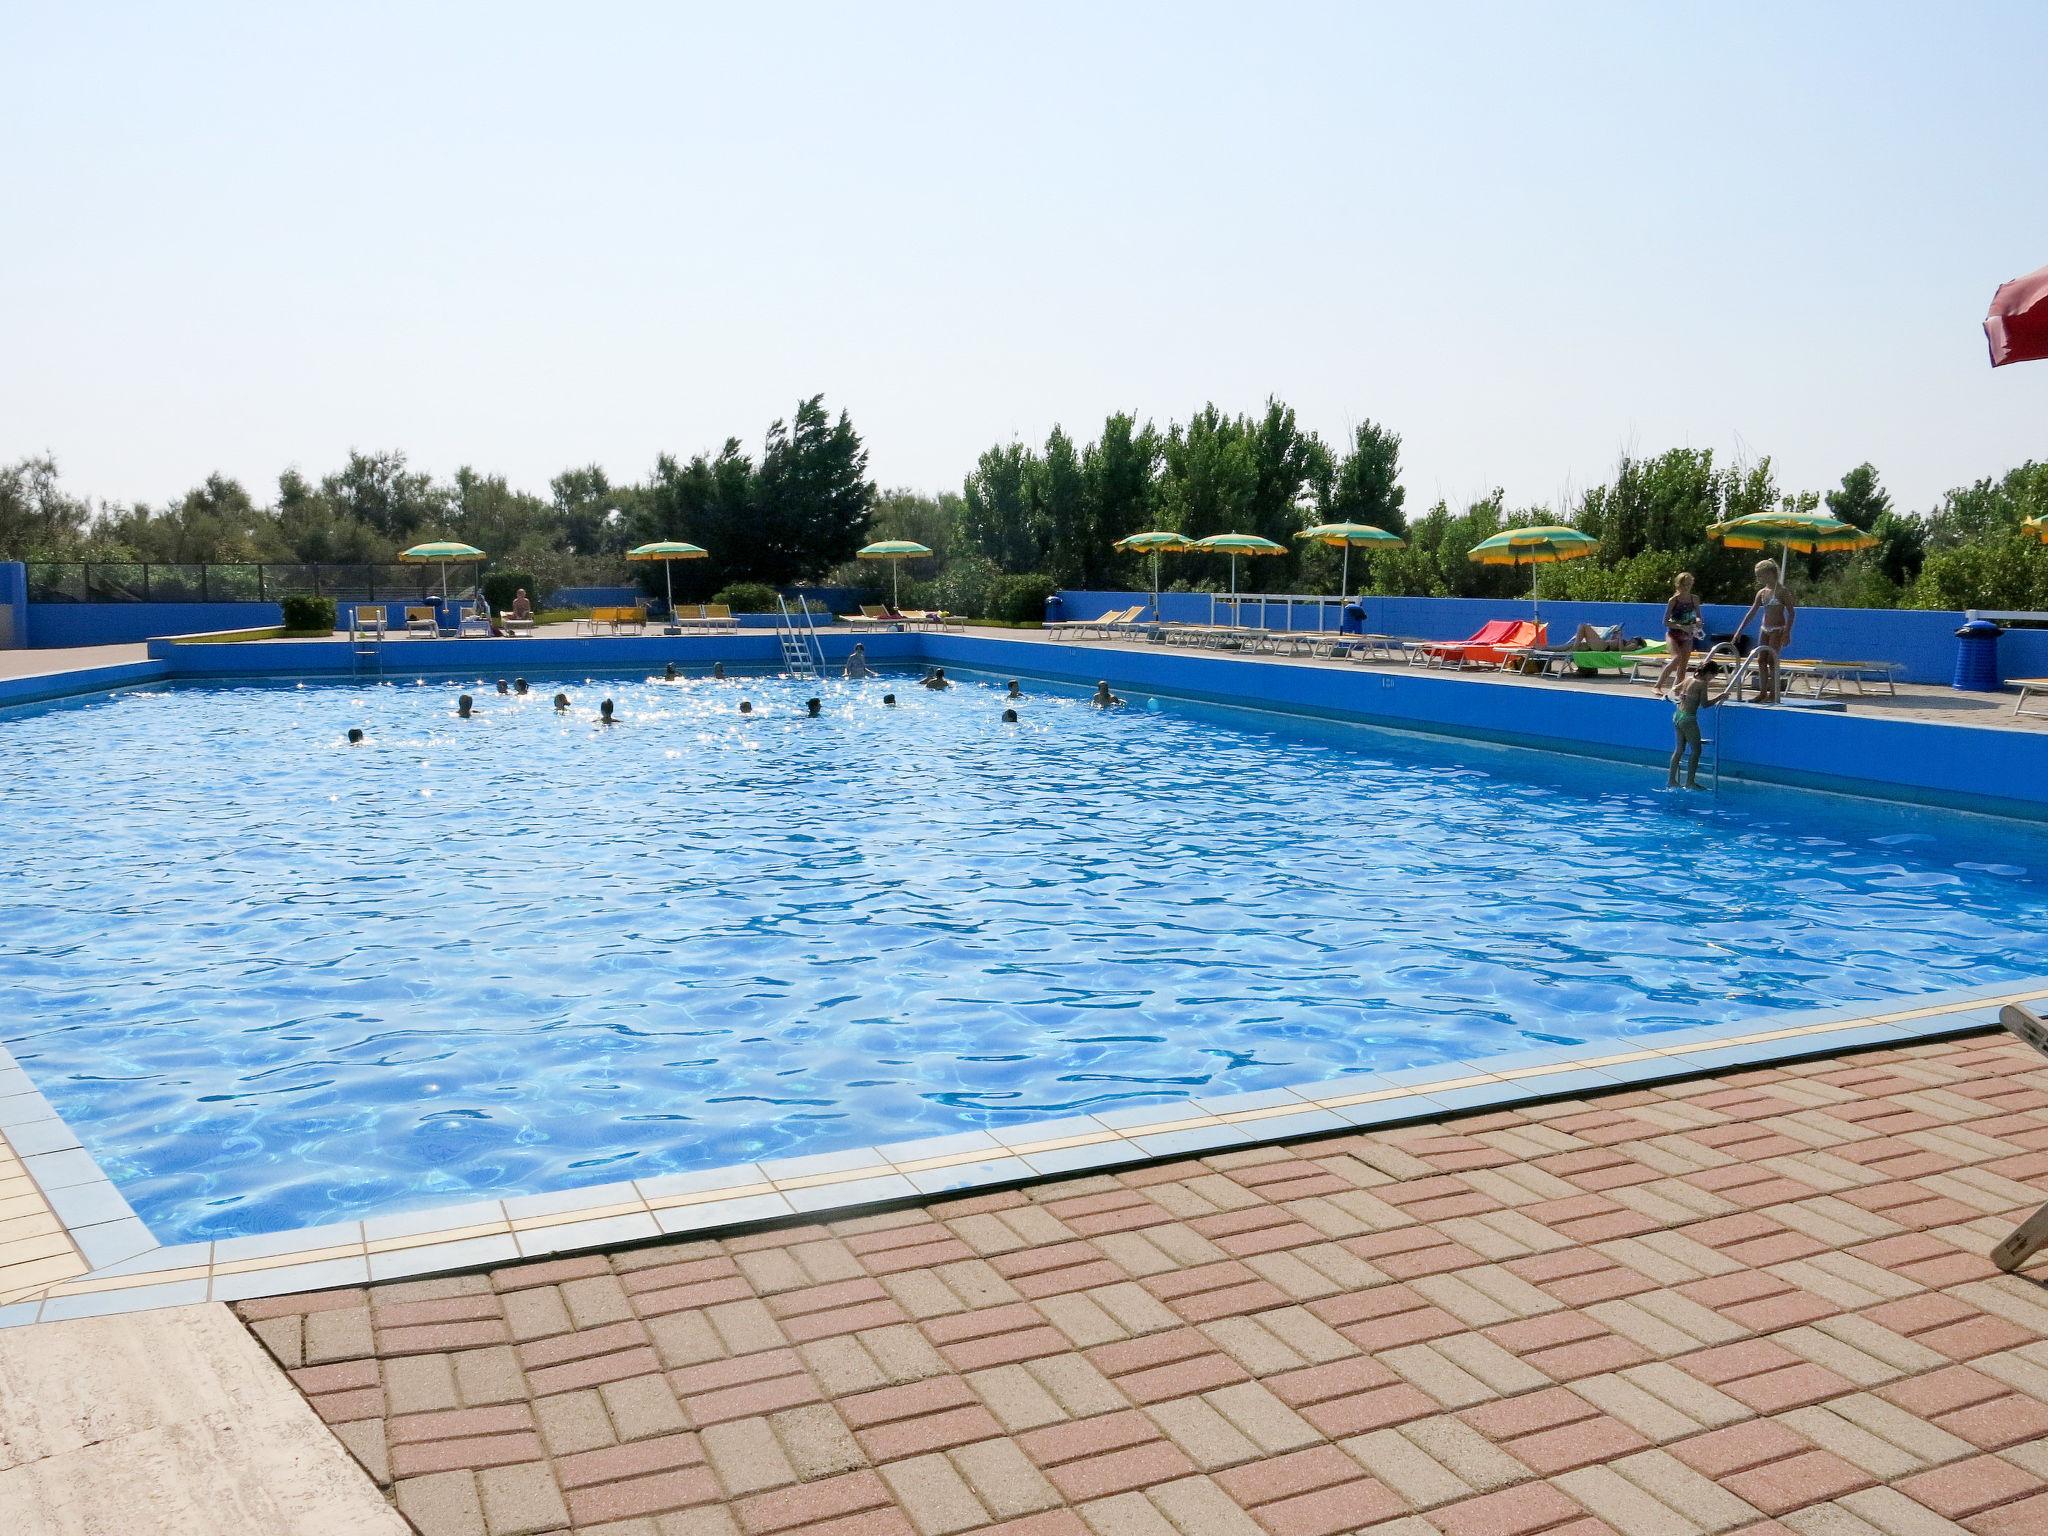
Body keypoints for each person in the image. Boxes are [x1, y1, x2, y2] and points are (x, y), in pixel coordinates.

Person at [1731, 560, 1796, 703]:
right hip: (1764, 628)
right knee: (1761, 659)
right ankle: (1762, 692)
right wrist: (1739, 630)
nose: (1758, 579)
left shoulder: (1782, 592)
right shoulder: (1762, 593)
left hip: (1777, 629)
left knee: (1772, 660)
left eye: (1760, 576)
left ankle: (1773, 692)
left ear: (1770, 574)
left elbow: (1791, 613)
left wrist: (1786, 632)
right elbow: (1752, 612)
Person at [1669, 660, 1720, 790]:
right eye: (1712, 676)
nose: (1712, 679)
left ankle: (1672, 781)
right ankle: (1690, 782)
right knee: (1696, 750)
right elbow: (1705, 704)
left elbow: (1674, 688)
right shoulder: (1702, 684)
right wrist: (1720, 697)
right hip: (1688, 719)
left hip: (1677, 716)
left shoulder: (1688, 679)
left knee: (1679, 750)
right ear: (1708, 673)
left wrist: (1682, 696)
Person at [1655, 572, 1704, 697]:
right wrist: (1681, 626)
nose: (1686, 587)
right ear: (1678, 585)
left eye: (1689, 584)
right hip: (1673, 635)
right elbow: (1665, 622)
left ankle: (1677, 691)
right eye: (1684, 584)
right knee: (1676, 658)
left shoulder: (1694, 599)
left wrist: (1698, 622)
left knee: (1683, 666)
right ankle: (1658, 686)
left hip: (1687, 636)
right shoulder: (1673, 600)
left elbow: (1698, 616)